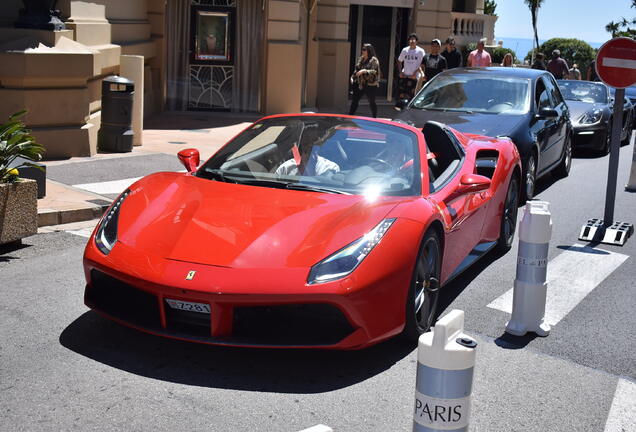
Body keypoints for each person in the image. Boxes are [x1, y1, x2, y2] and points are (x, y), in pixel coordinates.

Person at [349, 43, 380, 118]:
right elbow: (357, 69)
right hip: (361, 83)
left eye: (364, 50)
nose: (362, 51)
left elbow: (375, 72)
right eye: (362, 49)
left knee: (371, 102)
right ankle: (349, 116)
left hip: (370, 85)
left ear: (369, 51)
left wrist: (365, 71)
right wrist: (352, 77)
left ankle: (374, 117)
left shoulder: (374, 60)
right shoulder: (361, 59)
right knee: (355, 100)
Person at [395, 33, 425, 110]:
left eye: (413, 39)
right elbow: (399, 61)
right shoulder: (405, 50)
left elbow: (422, 64)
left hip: (414, 78)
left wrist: (415, 73)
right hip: (405, 76)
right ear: (408, 41)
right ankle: (401, 110)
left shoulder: (420, 51)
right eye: (410, 40)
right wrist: (400, 72)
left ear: (416, 41)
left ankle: (411, 111)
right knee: (401, 95)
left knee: (413, 97)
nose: (412, 41)